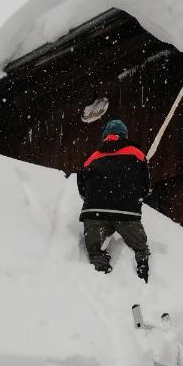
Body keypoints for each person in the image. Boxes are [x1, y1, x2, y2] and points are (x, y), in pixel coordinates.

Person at [77, 119, 151, 281]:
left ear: (105, 137)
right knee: (139, 246)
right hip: (126, 212)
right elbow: (145, 188)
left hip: (94, 213)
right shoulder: (137, 154)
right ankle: (142, 265)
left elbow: (82, 189)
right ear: (125, 135)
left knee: (95, 251)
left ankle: (100, 274)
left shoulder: (92, 158)